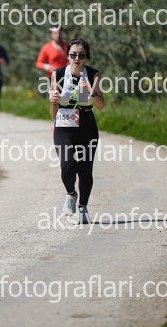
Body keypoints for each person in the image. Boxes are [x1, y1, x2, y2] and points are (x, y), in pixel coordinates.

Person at [49, 38, 104, 224]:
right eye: (73, 54)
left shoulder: (93, 74)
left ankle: (83, 207)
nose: (77, 58)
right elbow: (53, 108)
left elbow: (101, 105)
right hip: (64, 126)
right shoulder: (58, 74)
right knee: (67, 166)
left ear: (86, 57)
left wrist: (91, 91)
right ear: (67, 56)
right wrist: (53, 102)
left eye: (81, 55)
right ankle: (71, 193)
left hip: (87, 125)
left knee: (85, 169)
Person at [36, 25, 68, 117]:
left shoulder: (67, 46)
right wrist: (48, 67)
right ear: (51, 34)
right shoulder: (46, 47)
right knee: (54, 101)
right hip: (54, 78)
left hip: (67, 77)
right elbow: (39, 63)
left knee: (67, 99)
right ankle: (54, 120)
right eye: (55, 33)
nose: (58, 35)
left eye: (59, 33)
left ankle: (66, 121)